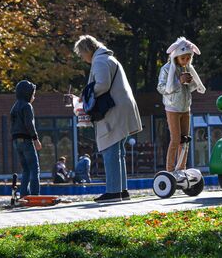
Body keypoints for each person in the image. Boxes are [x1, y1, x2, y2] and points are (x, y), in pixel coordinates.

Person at [74, 35, 142, 203]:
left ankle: (113, 192)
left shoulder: (100, 61)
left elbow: (102, 84)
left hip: (114, 110)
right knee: (118, 151)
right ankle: (122, 190)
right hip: (122, 107)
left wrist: (86, 95)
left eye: (82, 54)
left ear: (87, 50)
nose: (83, 59)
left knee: (110, 149)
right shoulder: (108, 58)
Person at [157, 37, 206, 173]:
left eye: (189, 58)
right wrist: (179, 81)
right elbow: (161, 88)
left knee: (185, 140)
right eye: (183, 58)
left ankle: (181, 168)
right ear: (176, 57)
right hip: (172, 108)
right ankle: (170, 169)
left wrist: (191, 83)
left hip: (185, 107)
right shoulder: (166, 69)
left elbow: (189, 88)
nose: (186, 61)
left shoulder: (188, 69)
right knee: (175, 139)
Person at [10, 80, 42, 196]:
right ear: (27, 94)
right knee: (34, 168)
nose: (34, 97)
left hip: (16, 141)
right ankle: (35, 195)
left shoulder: (14, 107)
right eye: (33, 94)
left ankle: (24, 194)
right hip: (26, 140)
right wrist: (36, 139)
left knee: (26, 169)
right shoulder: (27, 106)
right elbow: (29, 124)